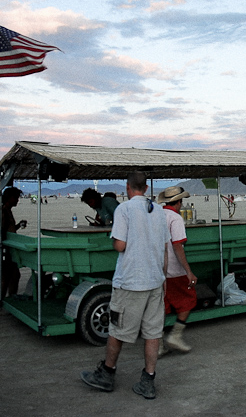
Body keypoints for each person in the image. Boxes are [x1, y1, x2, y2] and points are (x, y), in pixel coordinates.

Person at [81, 171, 170, 399]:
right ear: (147, 189)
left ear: (128, 188)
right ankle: (148, 381)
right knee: (152, 333)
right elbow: (165, 250)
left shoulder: (124, 209)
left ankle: (107, 374)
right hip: (155, 281)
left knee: (118, 330)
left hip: (131, 281)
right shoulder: (160, 212)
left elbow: (120, 245)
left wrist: (115, 239)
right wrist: (164, 279)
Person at [156, 186, 198, 356]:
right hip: (174, 269)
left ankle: (157, 345)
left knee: (160, 307)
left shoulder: (156, 215)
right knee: (188, 299)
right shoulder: (175, 218)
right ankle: (175, 336)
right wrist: (188, 271)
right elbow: (177, 246)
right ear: (179, 202)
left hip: (157, 268)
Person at [0, 187, 27, 311]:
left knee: (15, 275)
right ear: (10, 198)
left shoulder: (7, 210)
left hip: (8, 249)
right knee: (5, 278)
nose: (18, 200)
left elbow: (8, 230)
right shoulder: (1, 211)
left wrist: (18, 225)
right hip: (1, 250)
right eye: (16, 198)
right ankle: (0, 305)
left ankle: (11, 300)